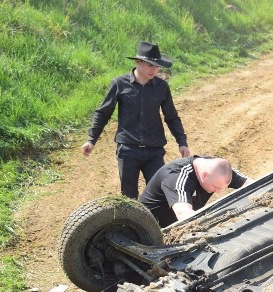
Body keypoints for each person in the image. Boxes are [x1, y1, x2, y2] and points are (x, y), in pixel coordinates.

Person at [82, 41, 191, 199]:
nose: (154, 69)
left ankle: (156, 224)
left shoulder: (162, 87)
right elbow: (103, 113)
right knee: (129, 197)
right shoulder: (119, 84)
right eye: (150, 65)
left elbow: (172, 117)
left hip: (154, 151)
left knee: (159, 194)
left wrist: (182, 142)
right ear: (137, 62)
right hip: (128, 150)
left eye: (157, 66)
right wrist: (91, 140)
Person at [139, 155, 253, 227]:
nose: (218, 192)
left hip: (177, 225)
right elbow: (184, 215)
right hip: (151, 230)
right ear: (204, 176)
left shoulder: (217, 169)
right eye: (216, 187)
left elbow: (253, 185)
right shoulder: (176, 176)